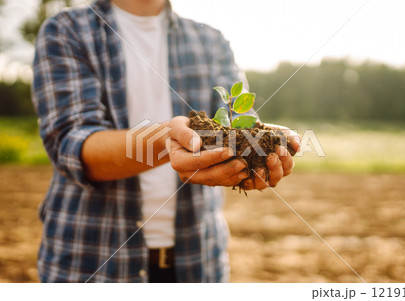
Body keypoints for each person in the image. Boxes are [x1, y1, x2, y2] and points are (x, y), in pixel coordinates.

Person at [32, 0, 299, 282]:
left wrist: (256, 152)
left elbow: (240, 120)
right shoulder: (67, 31)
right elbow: (74, 148)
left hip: (198, 262)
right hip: (93, 261)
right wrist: (165, 140)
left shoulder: (210, 41)